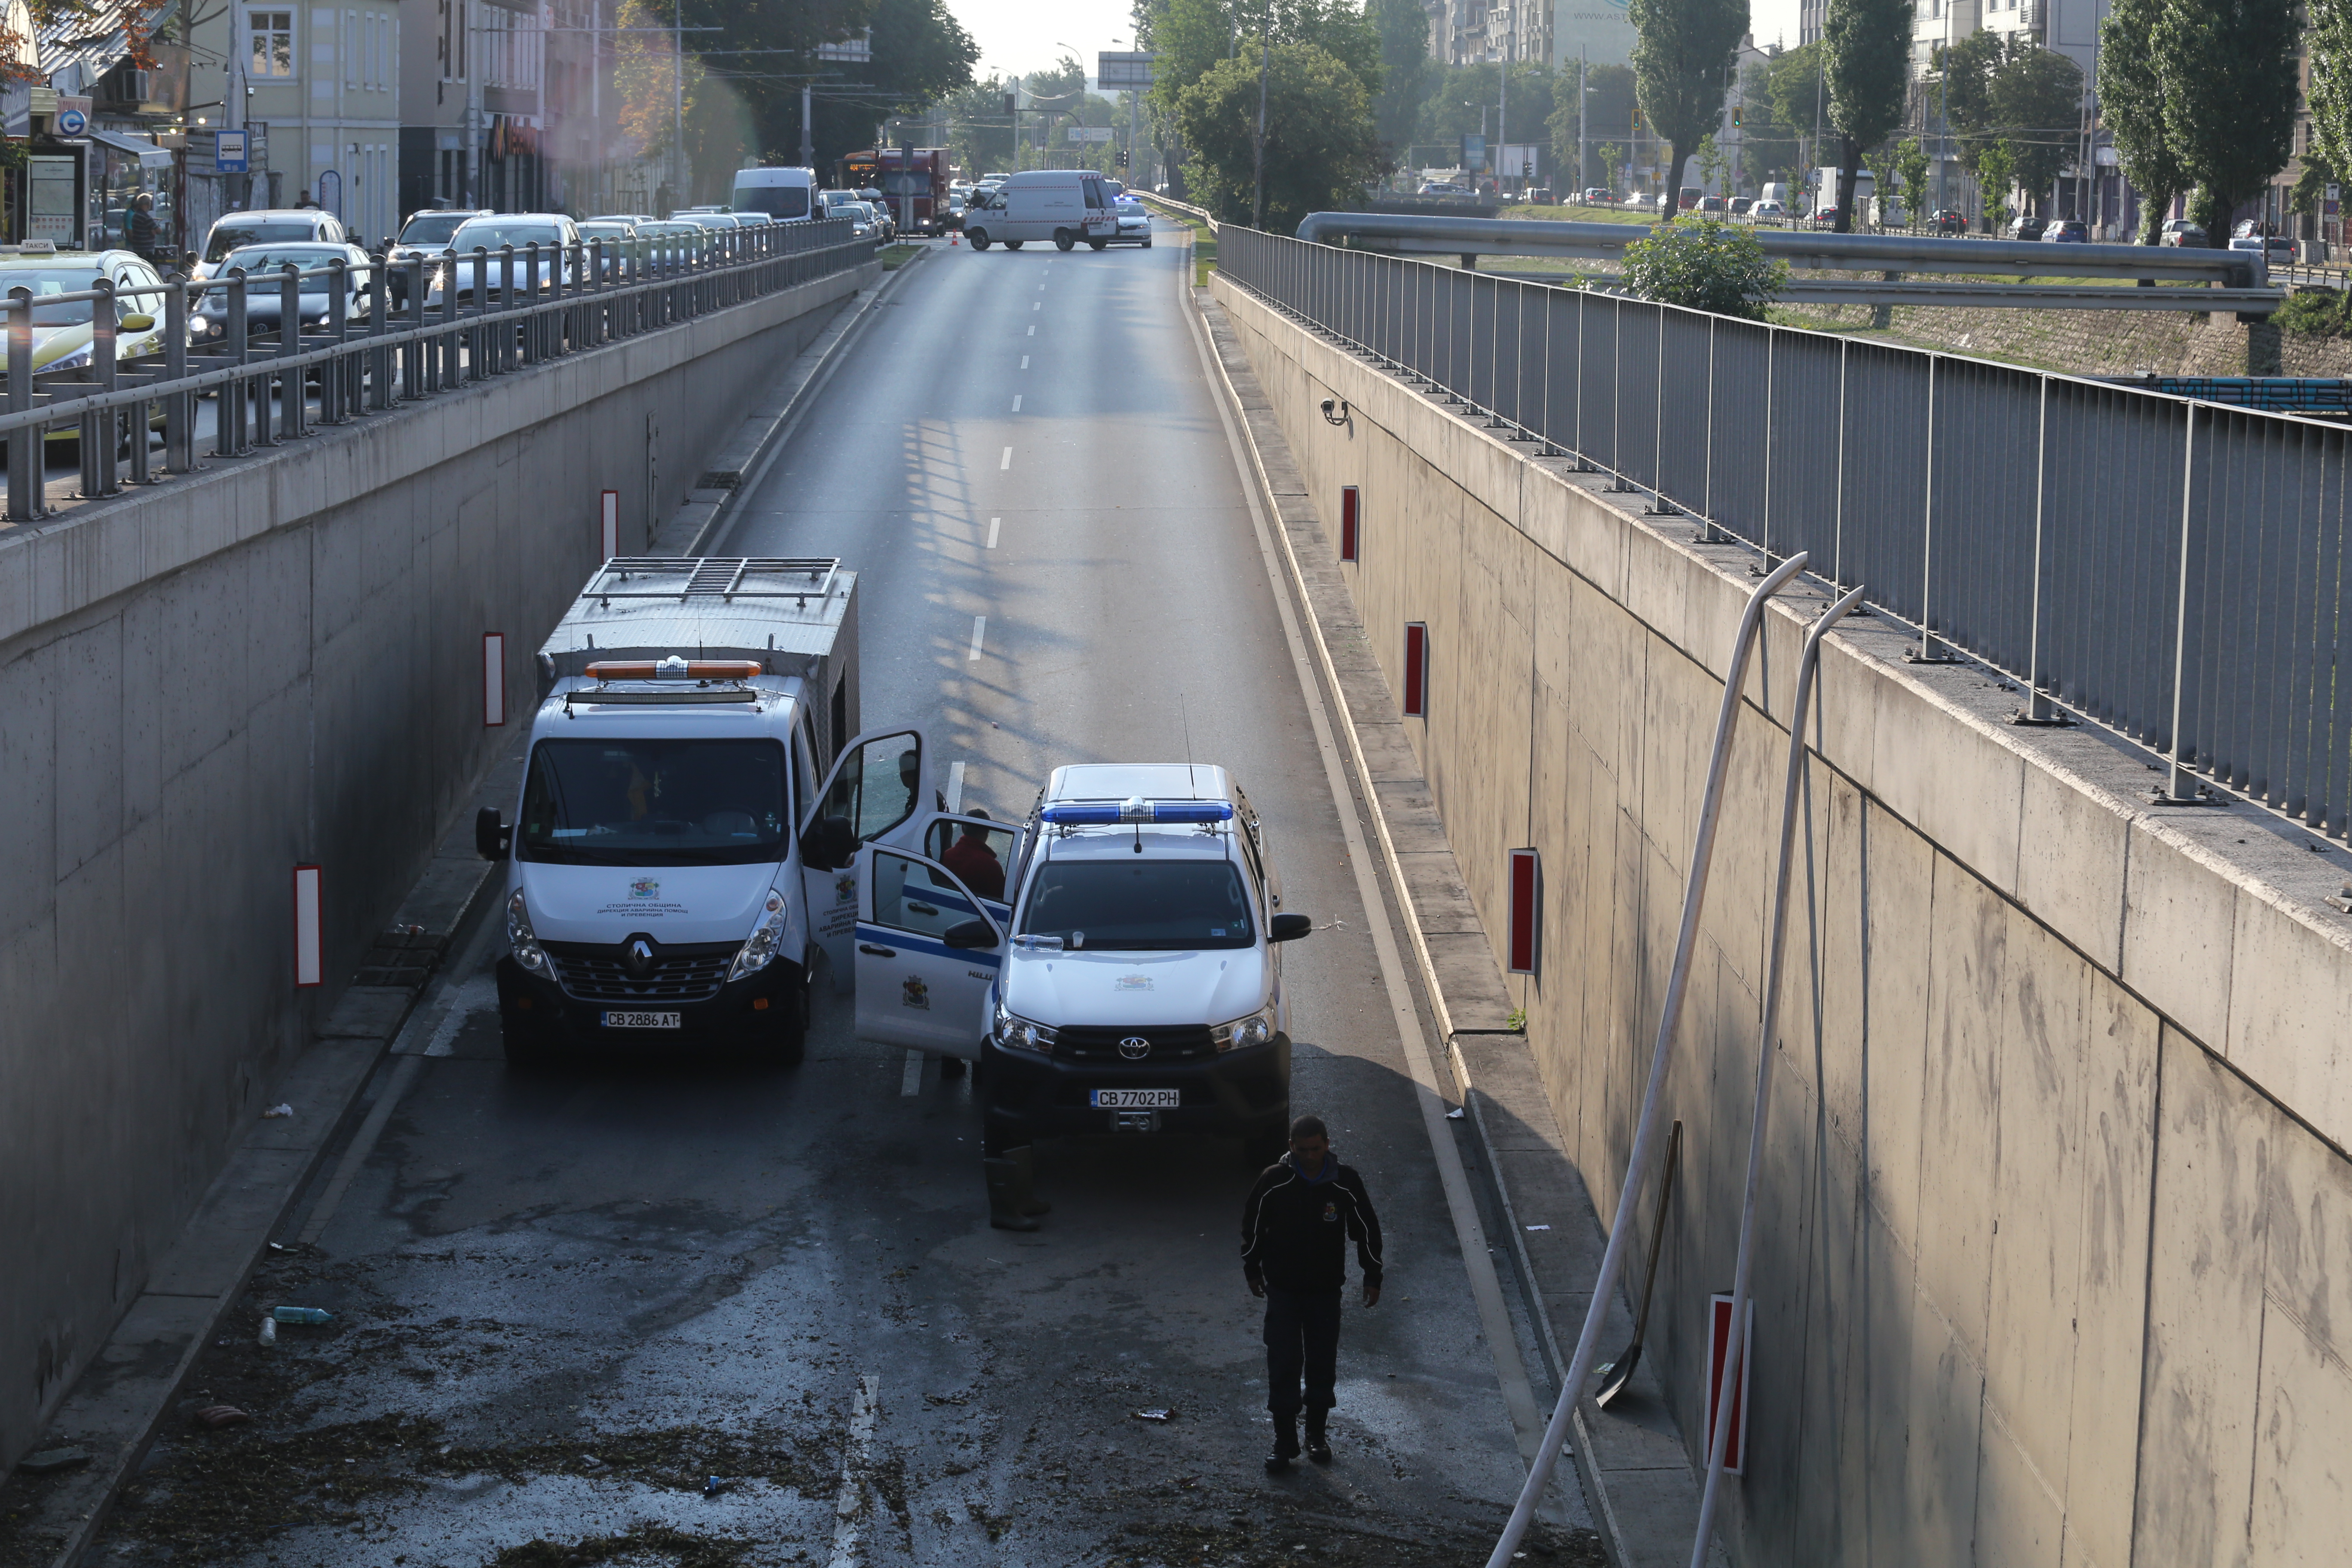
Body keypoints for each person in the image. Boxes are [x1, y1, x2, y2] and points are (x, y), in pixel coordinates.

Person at [1241, 1115, 1382, 1472]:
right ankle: (1284, 1440)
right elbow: (1253, 1226)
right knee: (1283, 1363)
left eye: (1316, 1149)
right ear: (1291, 1147)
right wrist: (1252, 1269)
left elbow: (1366, 1228)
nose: (1309, 1156)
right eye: (1302, 1150)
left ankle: (1316, 1436)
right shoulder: (1274, 1181)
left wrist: (1372, 1275)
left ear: (1327, 1145)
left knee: (1322, 1364)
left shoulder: (1344, 1182)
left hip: (1324, 1293)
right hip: (1284, 1291)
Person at [940, 809, 1005, 900]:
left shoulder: (945, 856)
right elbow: (1002, 901)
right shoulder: (992, 867)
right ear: (987, 831)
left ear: (963, 828)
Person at [123, 192, 160, 261]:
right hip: (145, 250)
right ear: (148, 204)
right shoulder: (144, 217)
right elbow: (159, 231)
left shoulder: (135, 215)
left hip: (138, 248)